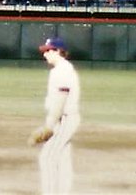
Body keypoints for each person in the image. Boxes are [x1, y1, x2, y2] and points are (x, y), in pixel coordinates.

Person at [36, 37, 81, 195]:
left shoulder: (62, 70)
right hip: (66, 119)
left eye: (48, 51)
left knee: (47, 158)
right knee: (62, 159)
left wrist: (49, 126)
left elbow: (60, 100)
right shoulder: (63, 68)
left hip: (64, 120)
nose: (45, 54)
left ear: (58, 51)